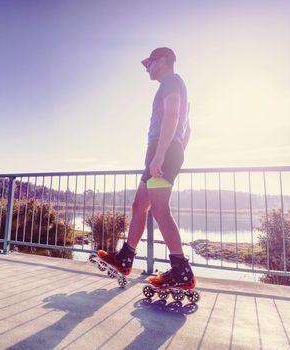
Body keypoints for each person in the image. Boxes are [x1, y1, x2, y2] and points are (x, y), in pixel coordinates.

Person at [97, 47, 195, 289]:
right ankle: (125, 257)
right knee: (140, 205)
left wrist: (163, 154)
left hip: (163, 150)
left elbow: (172, 117)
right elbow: (188, 128)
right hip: (163, 150)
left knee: (160, 209)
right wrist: (174, 151)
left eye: (149, 63)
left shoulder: (171, 81)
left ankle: (181, 270)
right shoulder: (173, 84)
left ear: (162, 61)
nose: (147, 68)